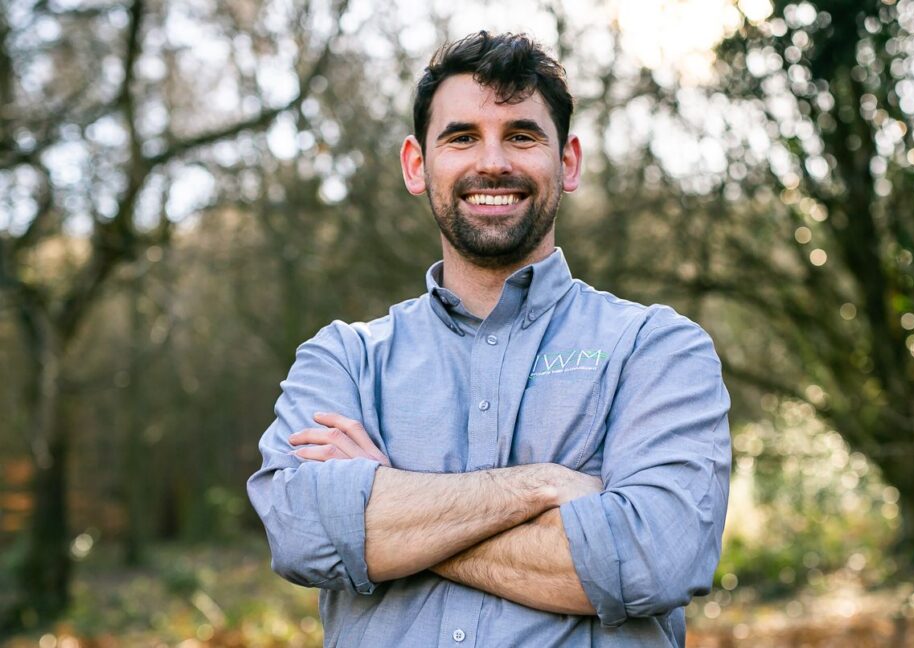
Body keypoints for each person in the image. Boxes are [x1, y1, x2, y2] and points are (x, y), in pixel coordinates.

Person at [247, 30, 731, 647]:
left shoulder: (658, 348)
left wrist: (388, 509)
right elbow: (301, 533)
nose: (493, 162)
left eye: (522, 136)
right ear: (417, 166)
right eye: (462, 137)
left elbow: (654, 559)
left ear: (568, 162)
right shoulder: (343, 360)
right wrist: (543, 486)